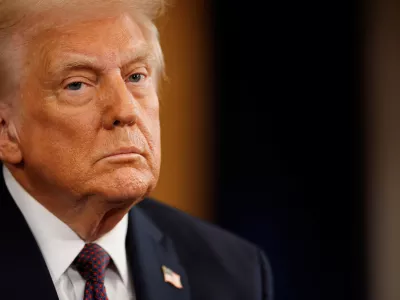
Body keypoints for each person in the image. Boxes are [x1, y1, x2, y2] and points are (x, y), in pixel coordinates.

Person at [0, 1, 273, 299]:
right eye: (78, 84)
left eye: (136, 77)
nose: (126, 110)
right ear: (6, 131)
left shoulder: (232, 271)